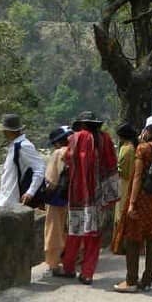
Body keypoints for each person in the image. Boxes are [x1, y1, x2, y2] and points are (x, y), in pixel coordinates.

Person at [53, 112, 119, 284]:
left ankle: (68, 268)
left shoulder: (76, 138)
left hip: (79, 194)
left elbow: (67, 157)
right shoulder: (105, 138)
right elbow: (112, 165)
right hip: (99, 197)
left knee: (74, 233)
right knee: (94, 235)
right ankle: (88, 273)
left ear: (82, 124)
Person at [113, 115, 152, 293]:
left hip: (142, 201)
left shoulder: (143, 149)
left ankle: (131, 281)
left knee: (133, 240)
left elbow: (138, 178)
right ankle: (147, 281)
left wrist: (131, 204)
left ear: (149, 130)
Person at [0, 113, 46, 208]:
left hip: (14, 200)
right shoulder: (15, 145)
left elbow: (39, 169)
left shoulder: (24, 146)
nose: (3, 133)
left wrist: (30, 192)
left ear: (9, 131)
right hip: (7, 199)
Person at [43, 125, 73, 271]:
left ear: (57, 142)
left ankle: (53, 262)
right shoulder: (79, 152)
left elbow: (51, 180)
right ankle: (71, 259)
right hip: (74, 197)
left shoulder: (58, 154)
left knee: (54, 230)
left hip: (57, 198)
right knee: (70, 229)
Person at [111, 122, 140, 255]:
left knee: (121, 214)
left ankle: (121, 245)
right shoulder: (132, 147)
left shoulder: (126, 149)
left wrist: (114, 170)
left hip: (124, 184)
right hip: (127, 183)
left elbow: (124, 170)